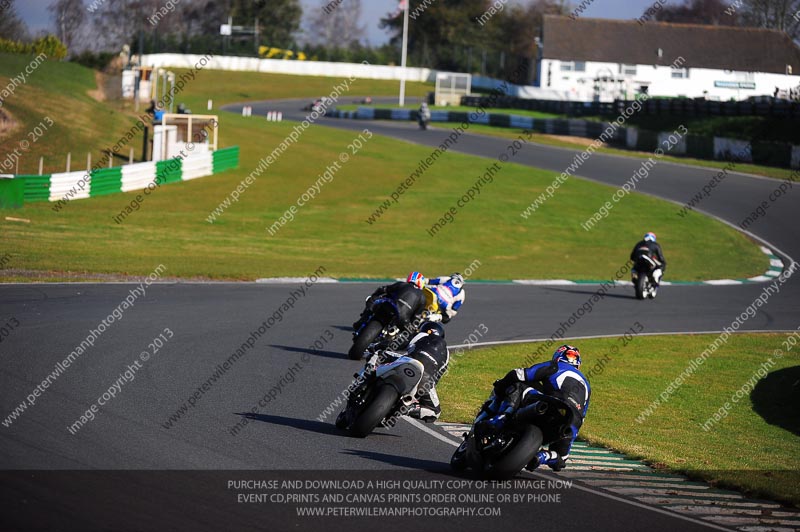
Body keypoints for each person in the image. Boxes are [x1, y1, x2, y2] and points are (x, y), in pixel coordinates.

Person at [482, 345, 591, 472]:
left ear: (557, 357)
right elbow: (581, 417)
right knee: (561, 459)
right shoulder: (587, 385)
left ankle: (500, 418)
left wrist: (501, 385)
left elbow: (521, 374)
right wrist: (570, 433)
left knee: (520, 385)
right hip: (571, 420)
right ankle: (544, 456)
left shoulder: (555, 366)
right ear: (578, 364)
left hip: (553, 404)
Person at [378, 321, 449, 423]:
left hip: (407, 361)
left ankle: (361, 382)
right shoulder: (447, 353)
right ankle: (407, 408)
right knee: (435, 412)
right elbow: (436, 378)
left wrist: (377, 346)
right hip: (426, 378)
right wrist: (418, 396)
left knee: (377, 354)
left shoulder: (421, 335)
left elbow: (395, 345)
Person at [352, 272, 430, 334]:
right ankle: (391, 347)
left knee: (372, 299)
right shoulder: (423, 298)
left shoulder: (402, 284)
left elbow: (383, 289)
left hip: (390, 307)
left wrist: (376, 296)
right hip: (403, 319)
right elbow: (416, 317)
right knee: (408, 333)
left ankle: (362, 320)